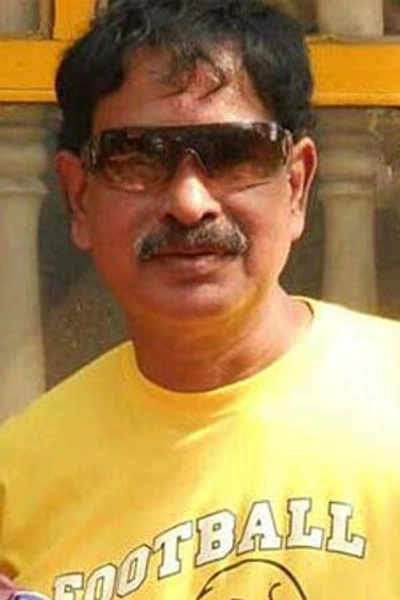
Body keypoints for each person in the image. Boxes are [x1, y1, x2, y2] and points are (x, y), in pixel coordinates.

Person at [0, 0, 399, 598]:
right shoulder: (17, 481)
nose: (190, 204)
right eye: (139, 158)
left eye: (235, 154)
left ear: (296, 185)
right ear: (78, 197)